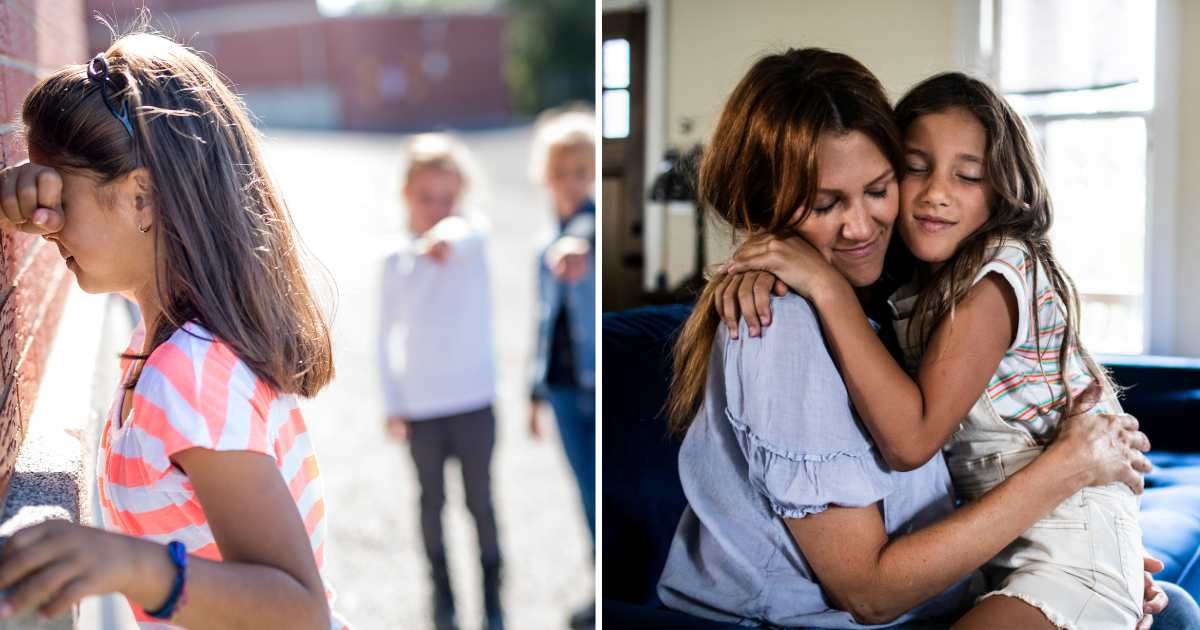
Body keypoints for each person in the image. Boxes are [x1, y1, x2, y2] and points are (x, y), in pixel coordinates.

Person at [657, 48, 1187, 629]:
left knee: (1173, 610)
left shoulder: (903, 289)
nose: (860, 226)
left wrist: (1086, 555)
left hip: (996, 568)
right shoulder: (780, 322)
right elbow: (871, 588)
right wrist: (1069, 469)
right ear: (767, 207)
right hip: (848, 613)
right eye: (826, 203)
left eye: (879, 188)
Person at [0, 32, 348, 628]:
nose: (46, 220)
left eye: (60, 191)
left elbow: (301, 609)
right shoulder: (167, 346)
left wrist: (130, 564)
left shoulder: (186, 370)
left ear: (141, 198)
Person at [377, 133, 503, 630]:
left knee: (481, 502)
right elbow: (384, 337)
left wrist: (448, 233)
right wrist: (392, 402)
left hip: (474, 399)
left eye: (448, 199)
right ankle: (442, 598)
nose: (438, 208)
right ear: (407, 194)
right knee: (432, 504)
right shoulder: (394, 259)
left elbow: (466, 234)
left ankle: (492, 599)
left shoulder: (471, 236)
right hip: (422, 406)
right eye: (427, 198)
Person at [527, 106, 596, 628]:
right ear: (546, 177)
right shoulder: (541, 246)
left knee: (604, 486)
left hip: (597, 384)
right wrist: (534, 392)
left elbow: (586, 233)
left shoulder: (588, 229)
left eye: (583, 171)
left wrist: (580, 244)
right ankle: (598, 577)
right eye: (563, 172)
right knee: (583, 489)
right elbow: (542, 321)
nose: (573, 183)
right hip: (562, 387)